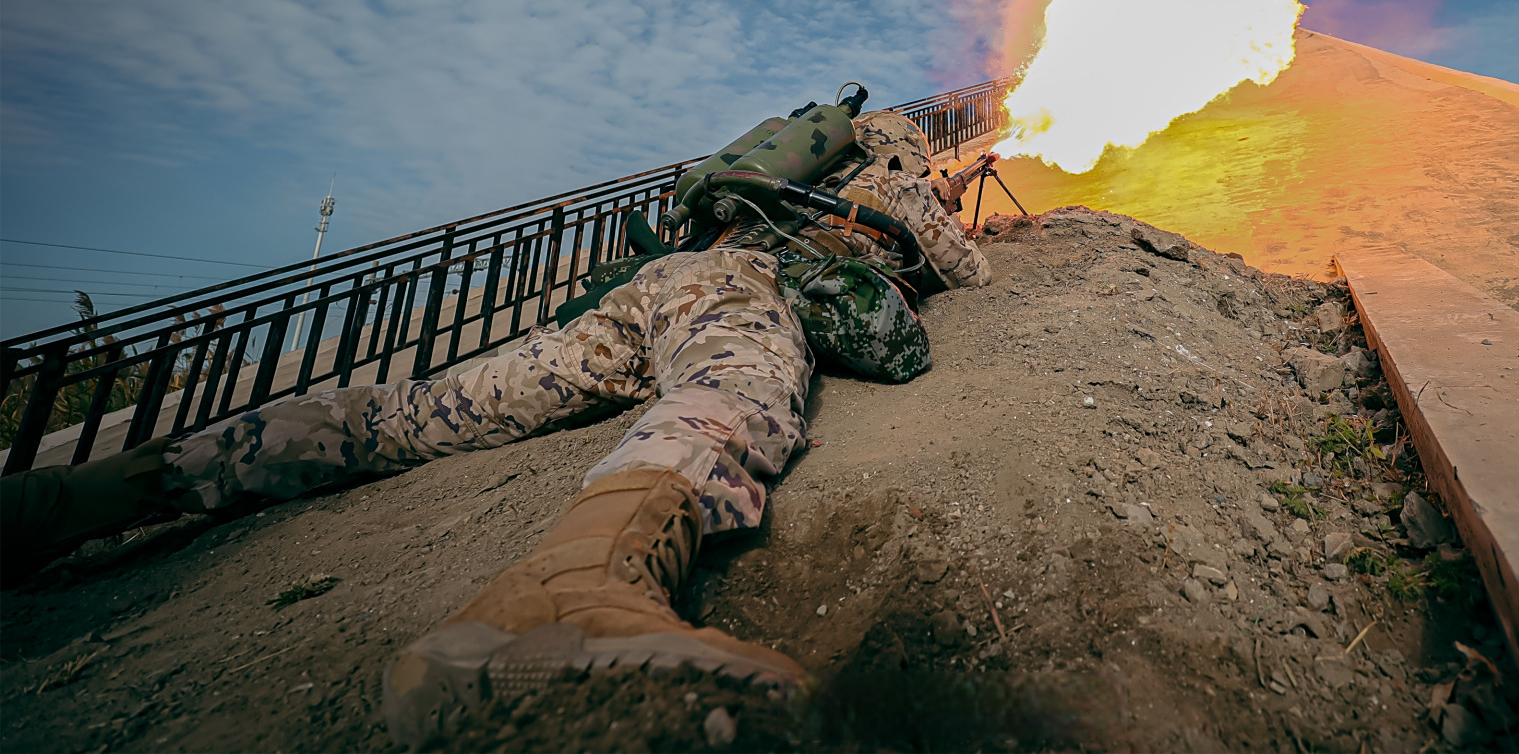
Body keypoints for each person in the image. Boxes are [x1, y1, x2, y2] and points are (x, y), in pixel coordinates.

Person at [0, 106, 990, 745]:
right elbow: (965, 268)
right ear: (903, 144)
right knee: (735, 392)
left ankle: (69, 499)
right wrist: (950, 203)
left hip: (644, 292)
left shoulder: (766, 173)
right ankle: (568, 592)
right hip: (735, 287)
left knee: (409, 414)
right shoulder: (889, 177)